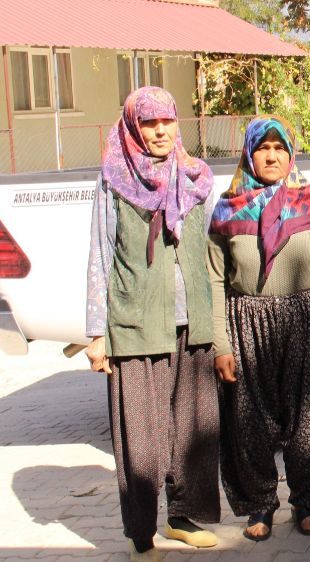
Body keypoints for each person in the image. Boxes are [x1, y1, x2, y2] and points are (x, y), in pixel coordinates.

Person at [85, 86, 220, 561]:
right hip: (136, 318)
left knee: (193, 428)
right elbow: (101, 254)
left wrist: (218, 323)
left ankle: (183, 517)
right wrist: (97, 332)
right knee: (140, 435)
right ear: (132, 127)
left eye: (167, 121)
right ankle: (140, 533)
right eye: (149, 123)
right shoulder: (113, 179)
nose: (160, 131)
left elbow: (209, 253)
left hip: (193, 318)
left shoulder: (196, 176)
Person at [208, 116, 310, 541]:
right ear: (248, 154)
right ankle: (259, 504)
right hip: (246, 321)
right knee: (250, 421)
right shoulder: (228, 205)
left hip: (308, 318)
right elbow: (214, 279)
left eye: (279, 148)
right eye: (262, 148)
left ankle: (307, 502)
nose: (271, 156)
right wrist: (221, 343)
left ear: (291, 153)